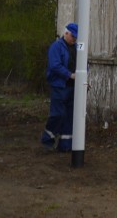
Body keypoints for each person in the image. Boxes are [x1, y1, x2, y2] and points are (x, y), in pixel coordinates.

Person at [41, 23, 78, 152]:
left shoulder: (77, 48)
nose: (74, 39)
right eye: (73, 36)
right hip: (59, 87)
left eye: (76, 37)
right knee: (58, 114)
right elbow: (55, 66)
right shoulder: (56, 47)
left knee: (69, 116)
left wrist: (84, 76)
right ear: (66, 33)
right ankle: (47, 141)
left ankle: (65, 145)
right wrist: (70, 75)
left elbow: (84, 64)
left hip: (72, 88)